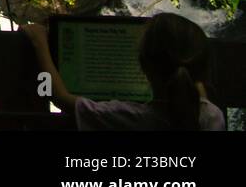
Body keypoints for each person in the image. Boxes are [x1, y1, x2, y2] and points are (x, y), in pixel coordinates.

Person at [23, 14, 227, 130]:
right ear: (202, 71)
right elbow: (196, 88)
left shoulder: (128, 117)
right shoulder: (212, 117)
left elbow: (58, 97)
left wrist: (39, 43)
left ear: (143, 65)